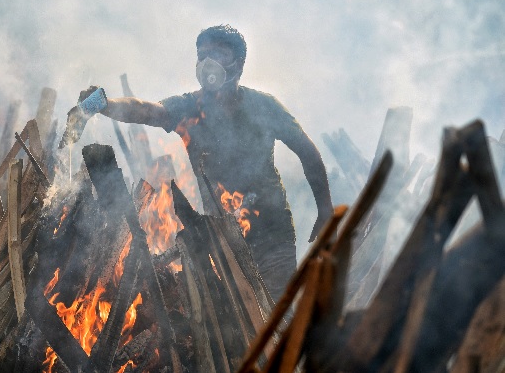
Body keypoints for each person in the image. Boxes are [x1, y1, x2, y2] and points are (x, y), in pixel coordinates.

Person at [82, 24, 333, 301]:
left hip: (272, 234)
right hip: (224, 238)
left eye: (218, 54)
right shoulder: (189, 107)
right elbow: (144, 110)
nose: (208, 63)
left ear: (239, 64)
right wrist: (103, 104)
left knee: (276, 314)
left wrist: (324, 210)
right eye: (203, 55)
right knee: (240, 324)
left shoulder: (264, 106)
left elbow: (307, 152)